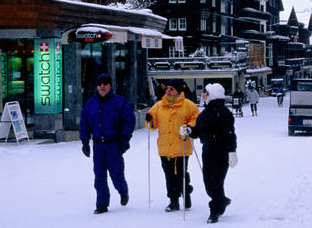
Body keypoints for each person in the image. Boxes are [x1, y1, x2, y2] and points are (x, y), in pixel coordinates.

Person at [79, 73, 136, 214]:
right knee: (99, 176)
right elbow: (84, 123)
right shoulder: (90, 104)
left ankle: (123, 190)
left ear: (110, 85)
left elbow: (129, 120)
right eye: (100, 84)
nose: (102, 87)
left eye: (105, 84)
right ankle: (102, 204)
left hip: (114, 145)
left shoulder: (120, 102)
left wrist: (125, 138)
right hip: (98, 145)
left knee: (116, 174)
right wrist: (85, 141)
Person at [184, 83, 238, 224]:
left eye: (206, 93)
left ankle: (214, 211)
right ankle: (222, 201)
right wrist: (189, 131)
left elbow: (230, 134)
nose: (204, 96)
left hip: (221, 151)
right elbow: (198, 131)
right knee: (208, 183)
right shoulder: (204, 113)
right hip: (207, 151)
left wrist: (232, 151)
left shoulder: (224, 113)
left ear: (213, 95)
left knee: (216, 182)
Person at [145, 78, 199, 212]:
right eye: (167, 88)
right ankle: (173, 201)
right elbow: (152, 123)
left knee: (181, 174)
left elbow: (196, 118)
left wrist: (189, 127)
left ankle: (186, 193)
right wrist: (149, 120)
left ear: (178, 91)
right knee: (169, 176)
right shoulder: (159, 106)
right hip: (165, 147)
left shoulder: (188, 105)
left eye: (171, 89)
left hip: (182, 147)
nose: (168, 91)